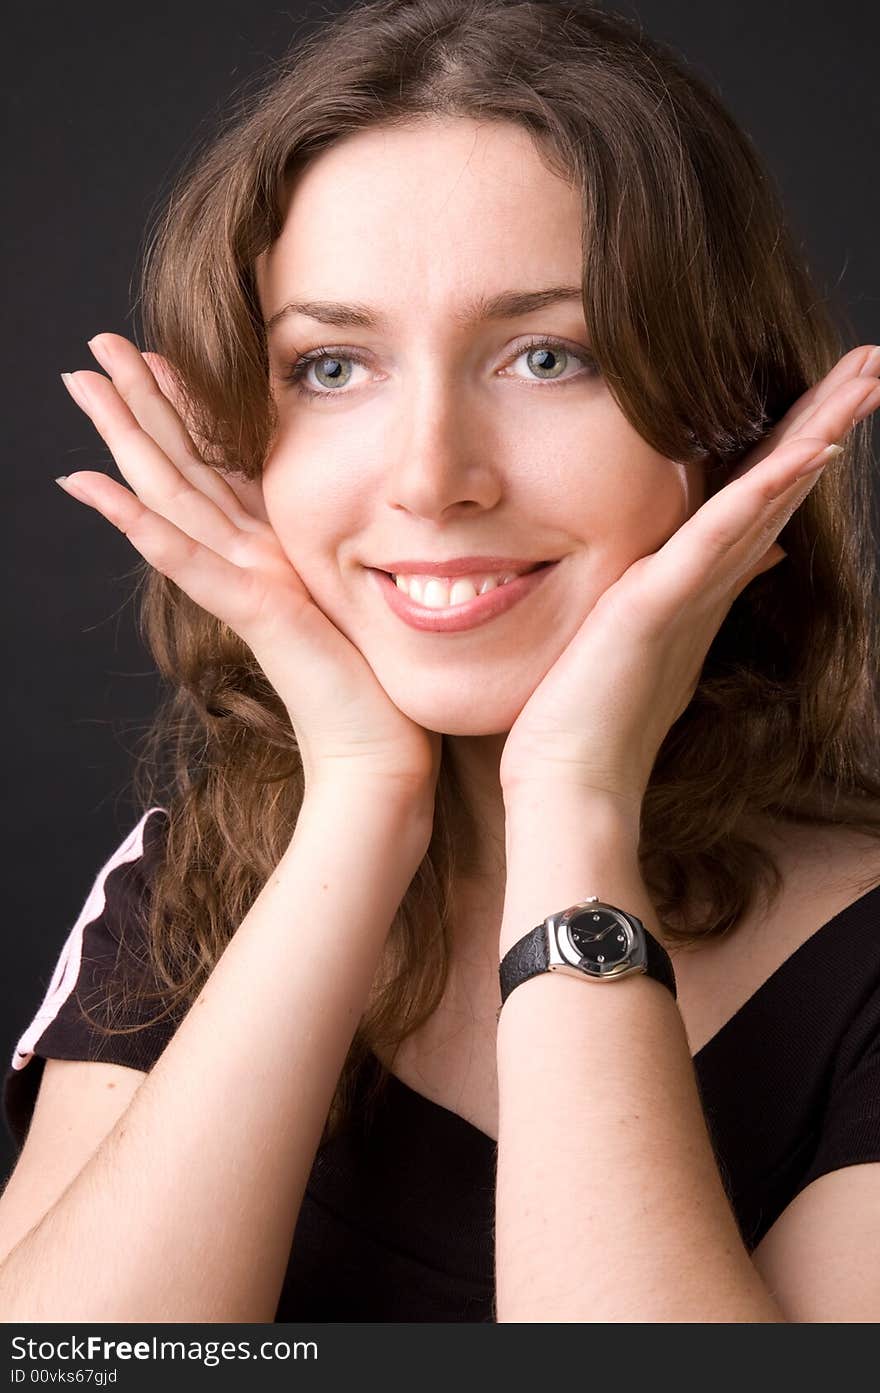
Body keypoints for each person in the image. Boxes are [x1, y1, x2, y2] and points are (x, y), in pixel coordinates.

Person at [2, 0, 880, 1324]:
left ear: (733, 418)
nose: (429, 477)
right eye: (333, 364)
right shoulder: (184, 881)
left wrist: (575, 808)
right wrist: (364, 796)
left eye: (548, 354)